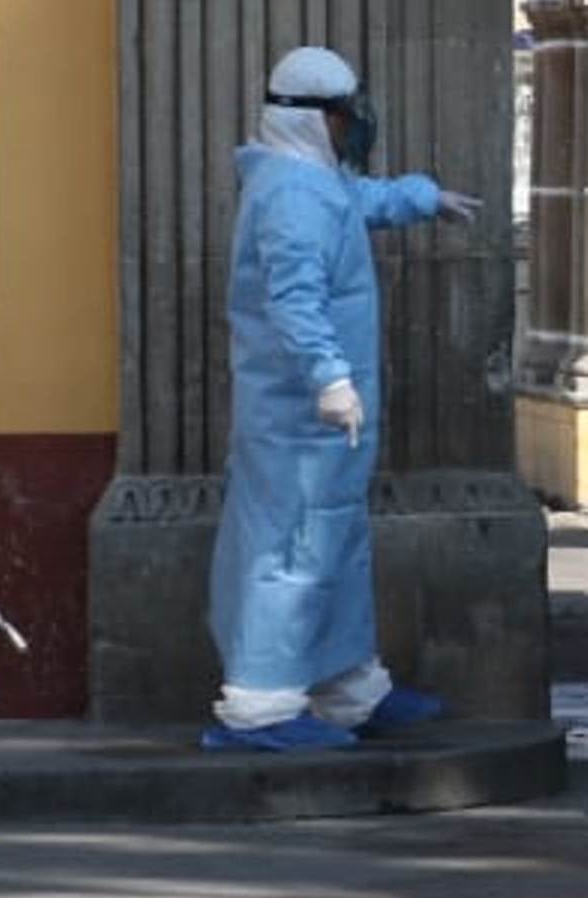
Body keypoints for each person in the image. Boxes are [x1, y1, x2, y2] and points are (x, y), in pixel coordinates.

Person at [205, 45, 482, 752]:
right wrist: (328, 377)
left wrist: (421, 198)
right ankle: (259, 704)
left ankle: (345, 686)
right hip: (298, 415)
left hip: (322, 423)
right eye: (342, 113)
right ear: (308, 118)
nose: (352, 125)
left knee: (335, 544)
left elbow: (357, 199)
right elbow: (295, 300)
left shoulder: (310, 182)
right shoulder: (293, 196)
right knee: (290, 549)